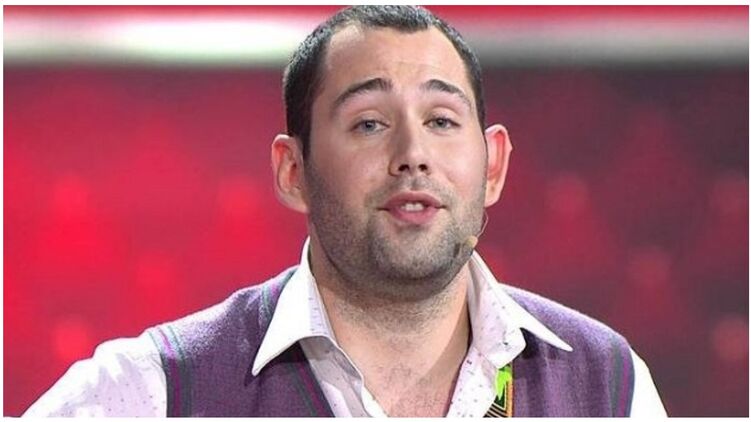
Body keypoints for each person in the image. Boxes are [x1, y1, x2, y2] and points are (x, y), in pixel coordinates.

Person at [24, 5, 667, 417]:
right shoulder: (151, 391)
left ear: (493, 166)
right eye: (368, 124)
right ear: (293, 171)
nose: (413, 155)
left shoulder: (608, 384)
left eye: (442, 120)